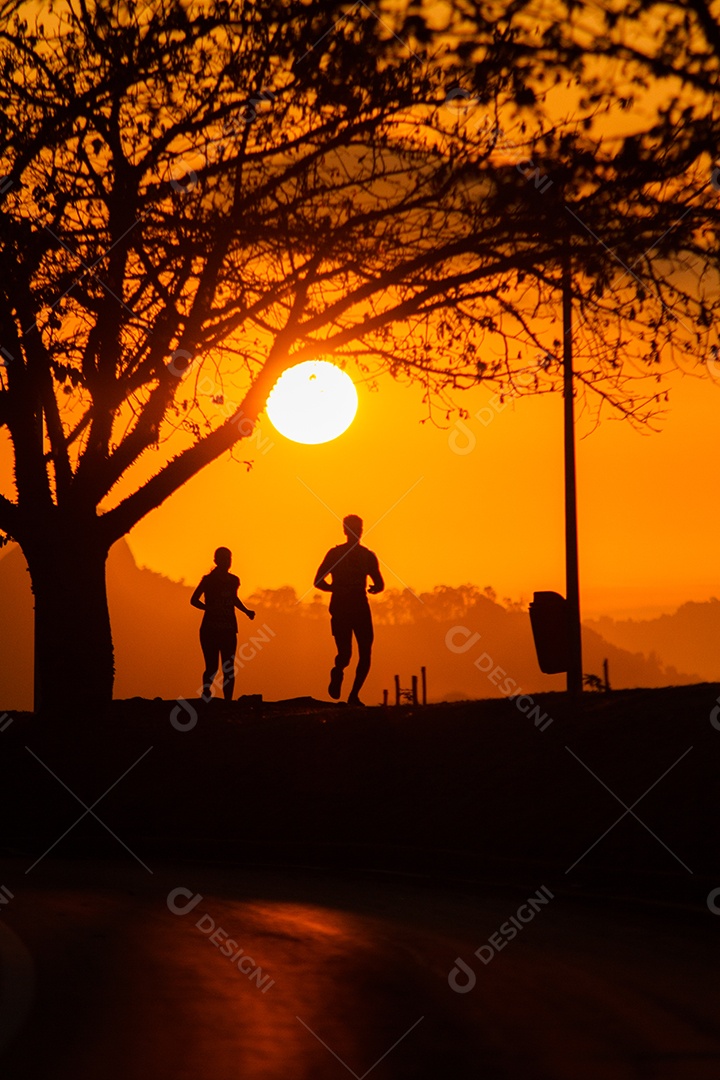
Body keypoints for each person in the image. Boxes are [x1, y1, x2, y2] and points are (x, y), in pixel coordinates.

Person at [314, 515, 384, 706]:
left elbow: (379, 582)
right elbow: (318, 581)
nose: (356, 532)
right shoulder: (335, 554)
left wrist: (376, 588)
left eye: (359, 529)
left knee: (365, 652)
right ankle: (338, 670)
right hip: (341, 608)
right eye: (353, 529)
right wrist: (335, 588)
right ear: (345, 531)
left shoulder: (367, 556)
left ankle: (354, 695)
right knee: (345, 654)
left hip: (360, 607)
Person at [190, 547, 255, 702]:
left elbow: (234, 598)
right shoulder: (208, 580)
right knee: (212, 667)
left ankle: (228, 701)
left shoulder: (234, 581)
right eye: (224, 558)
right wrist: (208, 608)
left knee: (229, 668)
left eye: (229, 558)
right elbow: (194, 600)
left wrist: (246, 611)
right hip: (210, 629)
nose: (227, 561)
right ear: (216, 561)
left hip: (229, 629)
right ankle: (206, 693)